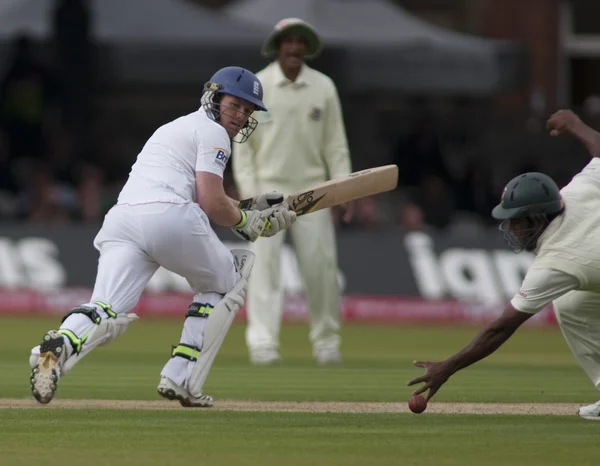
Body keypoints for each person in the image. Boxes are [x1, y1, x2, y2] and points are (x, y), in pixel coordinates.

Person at [28, 66, 297, 407]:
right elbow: (211, 202)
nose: (241, 116)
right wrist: (248, 221)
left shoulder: (176, 126)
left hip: (123, 220)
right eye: (236, 105)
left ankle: (56, 349)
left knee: (106, 309)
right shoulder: (215, 134)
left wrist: (248, 207)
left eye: (248, 110)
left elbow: (204, 191)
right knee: (230, 276)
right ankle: (181, 376)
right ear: (214, 98)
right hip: (170, 216)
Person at [407, 108, 600, 421]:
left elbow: (499, 329)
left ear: (536, 217)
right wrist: (576, 124)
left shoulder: (556, 261)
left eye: (515, 222)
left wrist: (447, 367)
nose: (510, 230)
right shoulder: (574, 191)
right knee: (571, 302)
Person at [232, 18, 353, 366]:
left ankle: (327, 342)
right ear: (278, 45)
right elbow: (244, 148)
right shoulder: (259, 85)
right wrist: (252, 197)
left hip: (314, 190)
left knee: (321, 270)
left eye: (301, 42)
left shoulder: (323, 87)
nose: (295, 48)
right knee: (265, 270)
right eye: (289, 41)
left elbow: (336, 146)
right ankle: (262, 343)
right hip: (267, 192)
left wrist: (342, 190)